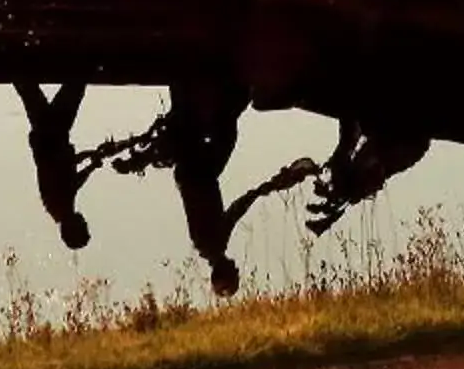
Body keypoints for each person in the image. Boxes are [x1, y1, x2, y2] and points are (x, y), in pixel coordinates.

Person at [118, 76, 317, 296]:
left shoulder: (213, 244)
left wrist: (262, 190)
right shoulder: (205, 247)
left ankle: (233, 90)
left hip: (201, 174)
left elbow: (235, 211)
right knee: (222, 134)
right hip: (197, 175)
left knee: (226, 134)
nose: (237, 267)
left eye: (235, 272)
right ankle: (222, 96)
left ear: (227, 271)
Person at [14, 79, 130, 249]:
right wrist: (91, 163)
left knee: (72, 86)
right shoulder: (60, 207)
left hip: (51, 133)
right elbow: (72, 179)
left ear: (71, 228)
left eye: (82, 226)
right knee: (30, 89)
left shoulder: (59, 204)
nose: (85, 222)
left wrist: (91, 161)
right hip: (49, 135)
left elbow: (67, 171)